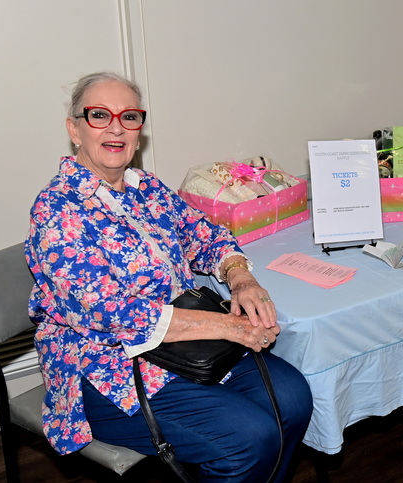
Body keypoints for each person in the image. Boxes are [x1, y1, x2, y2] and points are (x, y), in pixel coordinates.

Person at [25, 72, 313, 481]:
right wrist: (229, 327)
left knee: (294, 399)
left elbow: (206, 234)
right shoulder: (57, 210)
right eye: (99, 115)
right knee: (249, 437)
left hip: (186, 343)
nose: (116, 128)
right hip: (104, 366)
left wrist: (240, 277)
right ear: (74, 129)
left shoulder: (146, 188)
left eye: (129, 117)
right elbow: (109, 313)